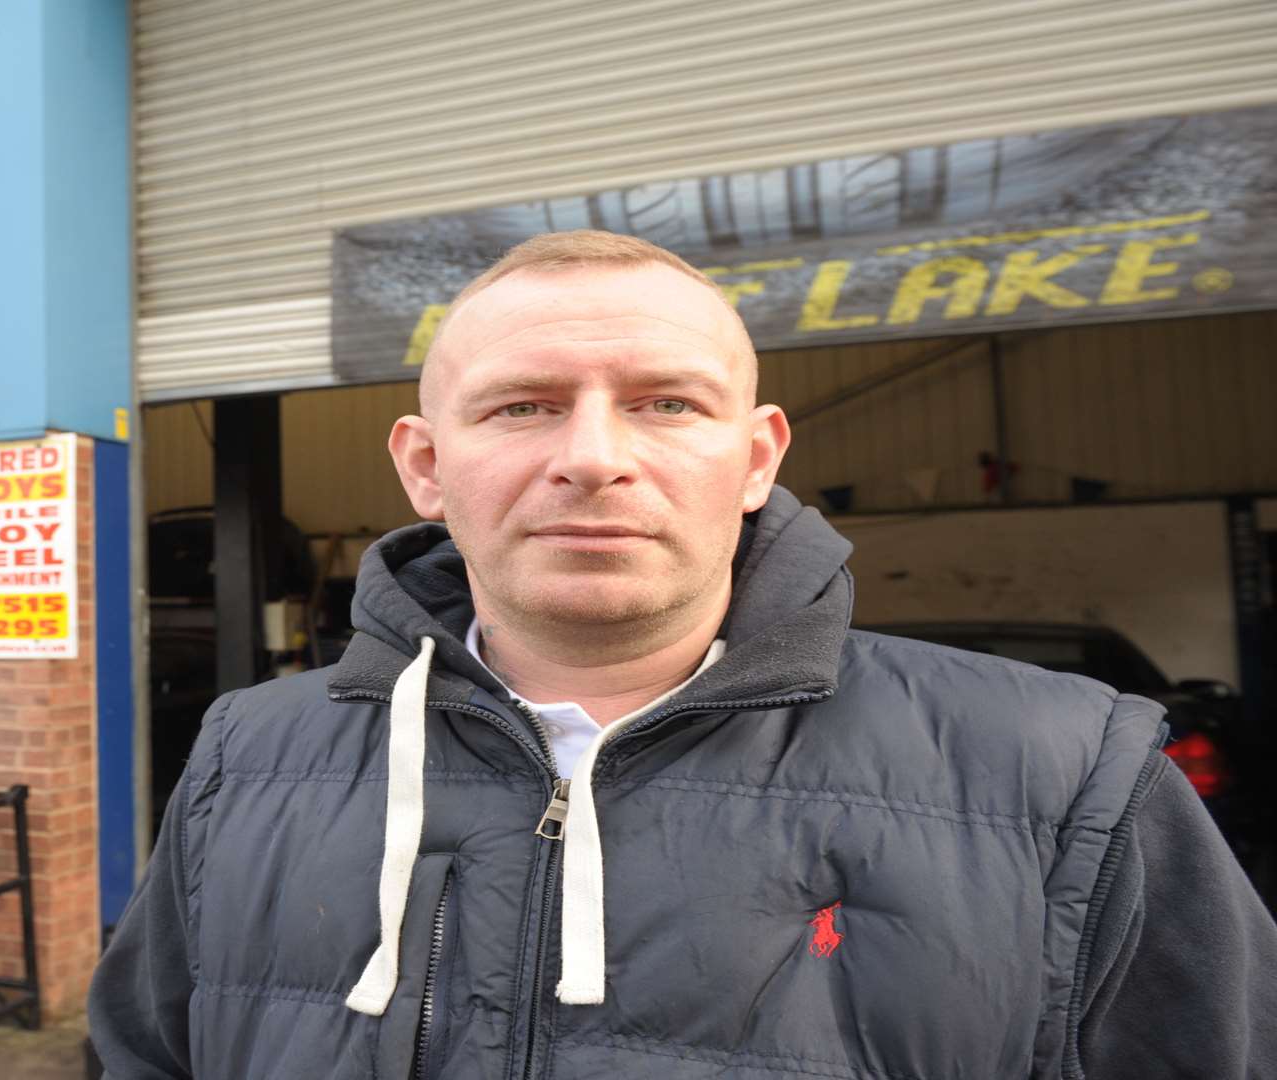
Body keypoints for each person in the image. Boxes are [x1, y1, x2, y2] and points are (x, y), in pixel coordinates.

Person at [89, 230, 1277, 1078]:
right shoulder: (250, 755)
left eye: (666, 404)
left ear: (757, 458)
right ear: (423, 465)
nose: (594, 456)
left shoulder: (1068, 773)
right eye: (522, 406)